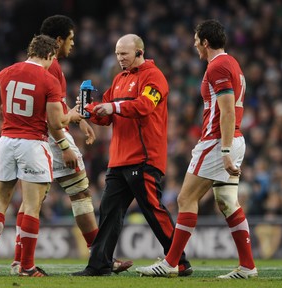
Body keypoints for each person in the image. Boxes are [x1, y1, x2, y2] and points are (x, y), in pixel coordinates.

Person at [9, 15, 132, 275]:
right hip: (52, 139)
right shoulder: (50, 67)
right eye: (71, 39)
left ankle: (19, 260)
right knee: (80, 194)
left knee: (32, 200)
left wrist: (78, 122)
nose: (73, 44)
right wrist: (64, 144)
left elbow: (57, 107)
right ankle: (101, 257)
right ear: (58, 40)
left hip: (38, 139)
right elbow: (50, 116)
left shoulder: (40, 66)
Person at [136, 19, 258, 279]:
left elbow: (226, 111)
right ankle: (247, 266)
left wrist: (224, 151)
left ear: (205, 42)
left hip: (217, 142)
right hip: (232, 139)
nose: (194, 47)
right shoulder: (232, 63)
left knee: (185, 199)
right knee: (227, 201)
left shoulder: (218, 66)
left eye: (195, 42)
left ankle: (170, 263)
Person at [71, 34, 192, 276]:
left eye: (124, 54)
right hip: (119, 159)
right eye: (117, 54)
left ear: (139, 52)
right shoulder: (118, 80)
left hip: (144, 157)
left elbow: (145, 106)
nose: (119, 58)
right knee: (108, 211)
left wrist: (112, 106)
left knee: (153, 210)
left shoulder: (154, 77)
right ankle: (99, 264)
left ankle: (179, 261)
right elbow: (105, 117)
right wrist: (89, 110)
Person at [0, 34, 83, 277]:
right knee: (32, 207)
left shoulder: (5, 72)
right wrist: (72, 116)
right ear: (50, 55)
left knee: (0, 201)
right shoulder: (49, 79)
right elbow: (55, 123)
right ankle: (27, 267)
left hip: (7, 142)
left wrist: (14, 121)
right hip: (32, 144)